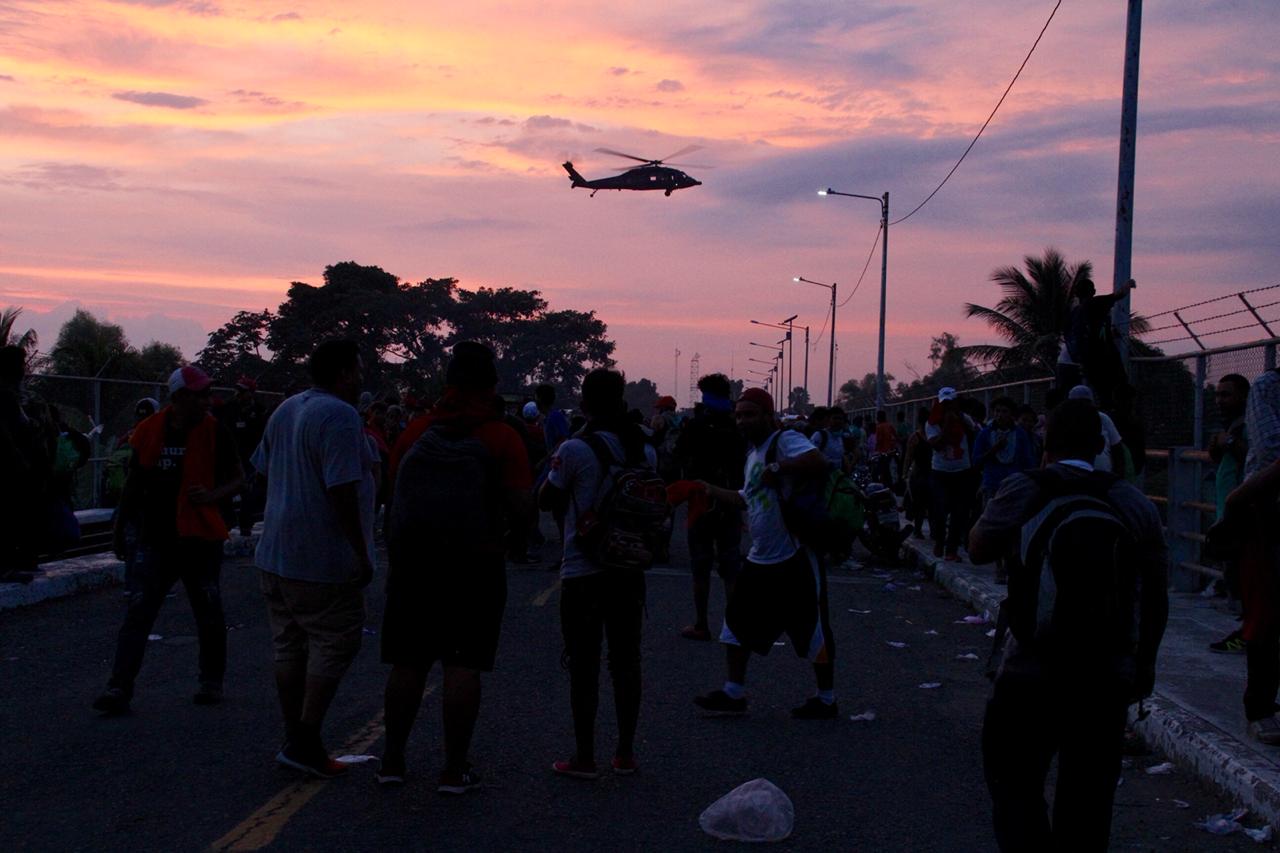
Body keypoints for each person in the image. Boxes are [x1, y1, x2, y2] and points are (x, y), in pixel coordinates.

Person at [970, 399, 1168, 852]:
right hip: (1105, 673)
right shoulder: (1131, 499)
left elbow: (978, 548)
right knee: (1089, 798)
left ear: (1045, 440)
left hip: (1028, 671)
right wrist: (1145, 667)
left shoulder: (1026, 488)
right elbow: (1155, 594)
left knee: (1014, 784)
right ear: (1100, 444)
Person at [378, 342, 531, 794]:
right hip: (475, 566)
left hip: (414, 565)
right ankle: (453, 769)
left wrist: (395, 556)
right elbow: (523, 507)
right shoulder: (502, 437)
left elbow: (392, 499)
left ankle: (391, 761)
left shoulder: (416, 431)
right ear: (492, 385)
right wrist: (514, 544)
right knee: (462, 666)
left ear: (445, 382)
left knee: (408, 663)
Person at [252, 340, 377, 778]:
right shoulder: (341, 416)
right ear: (343, 373)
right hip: (319, 559)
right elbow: (340, 487)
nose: (362, 378)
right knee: (336, 640)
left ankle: (294, 737)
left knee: (289, 645)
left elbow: (264, 469)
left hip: (276, 552)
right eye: (358, 369)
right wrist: (361, 553)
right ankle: (306, 739)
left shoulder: (287, 409)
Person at [93, 365, 243, 716]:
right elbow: (135, 482)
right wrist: (120, 528)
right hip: (156, 537)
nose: (207, 401)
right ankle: (119, 687)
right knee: (138, 614)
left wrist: (210, 496)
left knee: (207, 610)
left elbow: (239, 479)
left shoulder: (215, 432)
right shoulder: (148, 431)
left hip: (200, 538)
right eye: (200, 395)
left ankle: (210, 681)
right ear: (178, 398)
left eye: (207, 394)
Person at [538, 368, 656, 779]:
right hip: (628, 568)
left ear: (585, 404)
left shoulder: (574, 449)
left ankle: (584, 756)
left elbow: (546, 498)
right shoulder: (644, 451)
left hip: (584, 569)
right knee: (626, 661)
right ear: (623, 403)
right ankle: (624, 753)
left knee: (584, 662)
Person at [693, 387, 838, 720]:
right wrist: (707, 489)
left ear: (768, 415)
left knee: (813, 628)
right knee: (736, 622)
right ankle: (733, 692)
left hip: (794, 555)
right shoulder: (752, 455)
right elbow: (746, 497)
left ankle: (826, 699)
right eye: (739, 415)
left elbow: (818, 461)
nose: (743, 421)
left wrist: (780, 468)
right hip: (760, 557)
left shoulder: (783, 441)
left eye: (750, 414)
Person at [1223, 366, 1280, 744]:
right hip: (1268, 511)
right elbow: (1271, 450)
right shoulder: (1268, 388)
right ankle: (1259, 708)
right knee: (1266, 614)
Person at [673, 373, 747, 641]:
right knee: (730, 568)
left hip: (701, 504)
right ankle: (734, 627)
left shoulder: (696, 427)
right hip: (730, 502)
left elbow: (678, 455)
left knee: (701, 567)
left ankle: (702, 624)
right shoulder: (737, 428)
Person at [971, 397, 1038, 583]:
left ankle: (1011, 564)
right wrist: (994, 449)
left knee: (1015, 528)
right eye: (997, 411)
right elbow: (976, 461)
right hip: (992, 484)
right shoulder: (985, 434)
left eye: (1004, 412)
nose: (1000, 415)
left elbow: (1028, 461)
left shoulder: (1020, 435)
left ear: (1012, 415)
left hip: (1015, 486)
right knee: (994, 528)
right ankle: (999, 566)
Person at [1207, 374, 1250, 654]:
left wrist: (1229, 443)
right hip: (1228, 514)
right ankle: (1249, 629)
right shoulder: (1231, 427)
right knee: (1236, 578)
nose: (1219, 400)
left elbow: (1253, 455)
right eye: (1218, 394)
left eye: (1227, 395)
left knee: (1245, 578)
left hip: (1245, 517)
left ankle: (1251, 633)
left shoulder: (1249, 426)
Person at [0, 345, 48, 582]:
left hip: (22, 471)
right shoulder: (5, 396)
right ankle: (7, 564)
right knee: (10, 515)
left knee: (19, 516)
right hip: (12, 472)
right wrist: (19, 458)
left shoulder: (15, 396)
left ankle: (20, 560)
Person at [1064, 277, 1138, 409]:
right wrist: (1129, 284)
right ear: (1093, 291)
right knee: (1119, 390)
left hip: (1087, 361)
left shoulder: (1075, 312)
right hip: (1105, 358)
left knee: (1103, 394)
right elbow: (1119, 295)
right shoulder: (1096, 303)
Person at [926, 387, 977, 561]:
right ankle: (940, 541)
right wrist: (947, 426)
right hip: (940, 471)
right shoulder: (932, 423)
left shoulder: (965, 419)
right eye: (945, 403)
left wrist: (960, 421)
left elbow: (974, 436)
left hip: (962, 470)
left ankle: (952, 549)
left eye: (951, 403)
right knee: (940, 509)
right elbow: (936, 445)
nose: (948, 407)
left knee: (959, 511)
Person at [217, 376, 268, 536]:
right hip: (231, 459)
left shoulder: (260, 411)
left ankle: (246, 528)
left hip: (250, 459)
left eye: (243, 391)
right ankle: (225, 527)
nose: (238, 394)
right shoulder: (228, 409)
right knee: (226, 491)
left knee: (249, 493)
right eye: (237, 390)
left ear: (251, 393)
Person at [1066, 385, 1125, 473]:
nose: (1082, 407)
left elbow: (1117, 449)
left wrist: (1118, 475)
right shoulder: (1065, 420)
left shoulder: (1102, 418)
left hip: (1102, 475)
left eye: (1085, 403)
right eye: (1078, 403)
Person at [903, 407, 932, 538]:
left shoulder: (915, 437)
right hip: (930, 473)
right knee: (931, 505)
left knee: (919, 505)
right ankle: (933, 531)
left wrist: (904, 474)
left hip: (919, 474)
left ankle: (918, 530)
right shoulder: (934, 436)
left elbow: (908, 457)